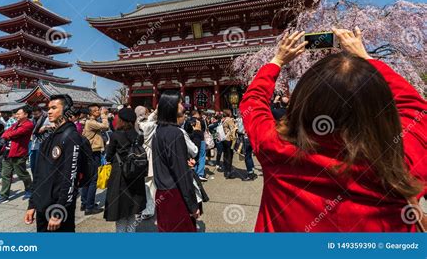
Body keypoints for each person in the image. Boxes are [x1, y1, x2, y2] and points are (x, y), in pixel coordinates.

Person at [240, 28, 427, 232]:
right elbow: (415, 107)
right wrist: (365, 58)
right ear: (381, 105)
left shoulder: (275, 148)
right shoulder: (401, 156)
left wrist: (276, 61)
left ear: (302, 100)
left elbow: (253, 102)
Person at [24, 94, 82, 232]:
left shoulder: (71, 136)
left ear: (66, 110)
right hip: (42, 203)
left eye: (54, 108)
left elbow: (71, 177)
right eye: (49, 108)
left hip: (58, 207)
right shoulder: (49, 135)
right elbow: (38, 173)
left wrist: (59, 210)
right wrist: (32, 204)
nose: (49, 111)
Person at [152, 91, 199, 232]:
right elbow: (181, 174)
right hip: (175, 195)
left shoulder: (159, 131)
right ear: (170, 105)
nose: (182, 106)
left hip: (162, 191)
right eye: (179, 102)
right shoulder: (175, 133)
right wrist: (192, 205)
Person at [104, 108, 146, 232]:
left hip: (120, 175)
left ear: (121, 120)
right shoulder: (139, 135)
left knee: (121, 212)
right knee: (133, 211)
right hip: (136, 174)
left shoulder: (115, 135)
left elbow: (109, 156)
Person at [0, 106, 34, 205]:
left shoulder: (28, 124)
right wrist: (6, 134)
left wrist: (6, 135)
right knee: (5, 175)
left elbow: (13, 134)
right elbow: (7, 132)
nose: (16, 115)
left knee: (22, 174)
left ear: (26, 115)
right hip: (7, 152)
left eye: (18, 114)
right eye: (16, 114)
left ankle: (30, 189)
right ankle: (4, 196)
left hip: (18, 154)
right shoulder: (16, 123)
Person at [80, 104, 109, 215]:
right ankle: (89, 207)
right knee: (93, 179)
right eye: (96, 110)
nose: (98, 111)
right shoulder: (91, 122)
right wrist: (104, 116)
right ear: (91, 113)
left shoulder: (89, 122)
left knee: (87, 179)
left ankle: (85, 203)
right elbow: (106, 126)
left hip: (89, 152)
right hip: (93, 152)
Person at [30, 106, 49, 177]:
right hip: (34, 144)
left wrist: (45, 127)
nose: (35, 116)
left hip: (43, 143)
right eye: (33, 114)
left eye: (36, 114)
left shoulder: (47, 118)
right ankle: (35, 181)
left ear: (41, 112)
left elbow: (56, 126)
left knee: (40, 165)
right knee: (33, 166)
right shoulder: (32, 120)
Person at [221, 109, 237, 179]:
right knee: (230, 155)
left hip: (224, 138)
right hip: (229, 139)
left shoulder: (223, 120)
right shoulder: (230, 120)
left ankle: (226, 169)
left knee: (225, 154)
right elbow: (233, 130)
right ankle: (228, 172)